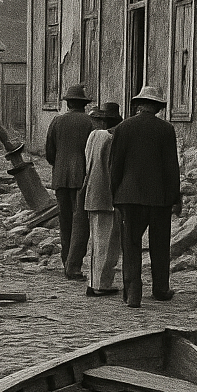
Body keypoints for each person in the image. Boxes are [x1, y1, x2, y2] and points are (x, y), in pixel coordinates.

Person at [109, 85, 180, 308]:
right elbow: (171, 168)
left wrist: (115, 194)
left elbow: (115, 166)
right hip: (159, 198)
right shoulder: (166, 130)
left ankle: (133, 293)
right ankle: (160, 288)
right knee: (160, 245)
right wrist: (175, 197)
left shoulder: (122, 128)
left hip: (129, 197)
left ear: (139, 105)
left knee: (130, 245)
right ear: (158, 107)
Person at [43, 82, 95, 280]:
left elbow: (49, 152)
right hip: (81, 178)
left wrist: (60, 165)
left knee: (64, 222)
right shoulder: (90, 123)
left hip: (61, 178)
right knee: (80, 223)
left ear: (68, 103)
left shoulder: (56, 122)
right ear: (83, 104)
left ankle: (66, 261)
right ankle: (75, 266)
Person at [81, 102, 122, 297]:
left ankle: (93, 281)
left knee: (96, 242)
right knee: (107, 244)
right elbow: (113, 169)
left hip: (91, 191)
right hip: (106, 195)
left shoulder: (93, 136)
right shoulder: (111, 138)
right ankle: (101, 283)